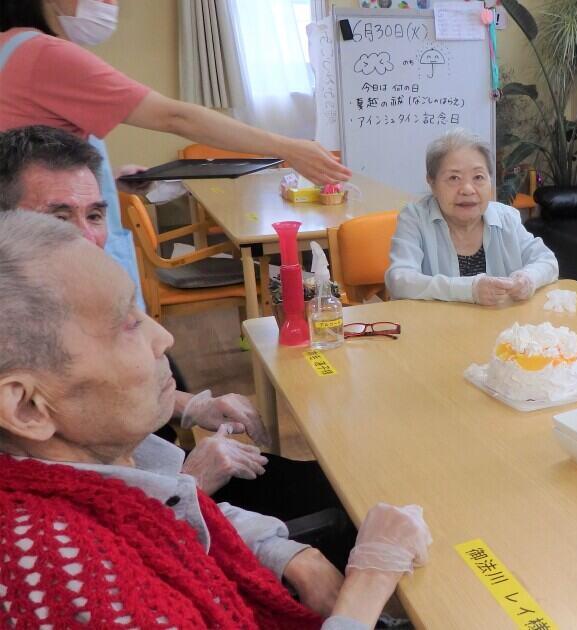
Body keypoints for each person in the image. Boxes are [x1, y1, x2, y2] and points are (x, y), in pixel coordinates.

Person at [0, 210, 432, 627]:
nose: (163, 337)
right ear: (26, 407)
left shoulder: (100, 459)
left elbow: (173, 506)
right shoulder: (74, 573)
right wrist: (369, 583)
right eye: (126, 325)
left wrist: (285, 553)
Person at [0, 0, 351, 307]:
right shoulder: (43, 54)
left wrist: (108, 182)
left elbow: (39, 158)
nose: (109, 4)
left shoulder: (10, 50)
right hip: (50, 257)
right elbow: (176, 116)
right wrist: (289, 147)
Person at [0, 124, 271, 496]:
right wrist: (190, 485)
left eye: (94, 216)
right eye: (58, 221)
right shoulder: (15, 335)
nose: (88, 239)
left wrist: (195, 407)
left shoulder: (76, 294)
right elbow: (92, 524)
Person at [385, 129, 558, 305]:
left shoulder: (507, 218)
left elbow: (547, 261)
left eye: (478, 177)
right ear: (432, 183)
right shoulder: (415, 219)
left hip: (499, 328)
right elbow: (399, 280)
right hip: (436, 328)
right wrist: (470, 289)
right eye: (454, 178)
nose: (468, 189)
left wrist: (528, 279)